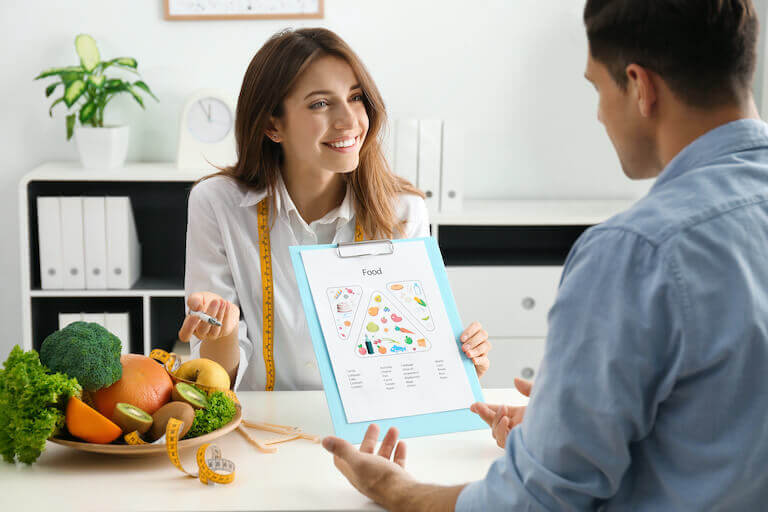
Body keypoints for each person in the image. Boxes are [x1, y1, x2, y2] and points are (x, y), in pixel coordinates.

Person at [322, 1, 768, 509]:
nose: (600, 113)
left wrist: (391, 488)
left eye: (597, 88)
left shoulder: (633, 254)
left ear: (641, 87)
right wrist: (570, 430)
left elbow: (536, 502)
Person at [177, 28, 491, 391]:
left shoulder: (404, 211)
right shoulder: (216, 203)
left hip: (368, 427)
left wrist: (457, 362)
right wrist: (224, 332)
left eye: (355, 97)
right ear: (272, 124)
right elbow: (214, 381)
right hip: (262, 429)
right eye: (320, 104)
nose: (349, 121)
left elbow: (410, 356)